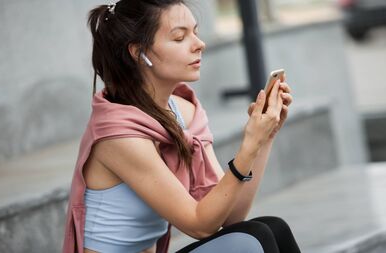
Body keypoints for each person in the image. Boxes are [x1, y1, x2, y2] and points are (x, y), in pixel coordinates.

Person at [62, 0, 300, 252]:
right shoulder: (118, 136)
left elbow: (231, 217)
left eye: (195, 33)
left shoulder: (182, 111)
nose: (199, 44)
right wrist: (248, 146)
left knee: (274, 227)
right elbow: (199, 225)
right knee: (253, 237)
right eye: (179, 38)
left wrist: (264, 140)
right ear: (138, 52)